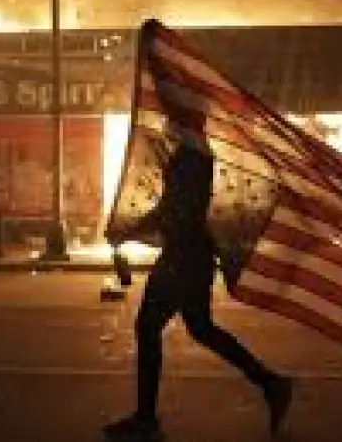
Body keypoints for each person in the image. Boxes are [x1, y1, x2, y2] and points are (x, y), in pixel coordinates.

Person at [103, 124, 293, 441]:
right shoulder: (193, 152)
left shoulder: (192, 156)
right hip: (191, 255)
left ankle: (147, 420)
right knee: (200, 328)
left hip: (184, 257)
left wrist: (130, 229)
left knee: (149, 327)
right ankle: (271, 384)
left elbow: (176, 210)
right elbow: (174, 208)